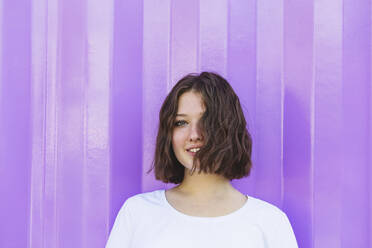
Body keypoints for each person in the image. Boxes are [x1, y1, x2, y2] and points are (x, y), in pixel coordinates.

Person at [105, 72, 298, 248]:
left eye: (207, 122)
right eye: (181, 123)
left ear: (229, 130)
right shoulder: (138, 212)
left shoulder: (270, 222)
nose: (194, 135)